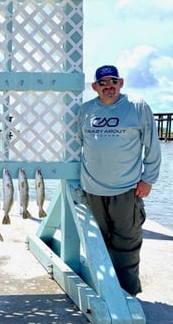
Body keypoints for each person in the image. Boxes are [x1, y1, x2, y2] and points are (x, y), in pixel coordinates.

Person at [77, 65, 161, 296]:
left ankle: (127, 294)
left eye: (113, 81)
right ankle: (104, 290)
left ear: (121, 82)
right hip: (92, 190)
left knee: (126, 244)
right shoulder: (84, 111)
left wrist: (149, 179)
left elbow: (152, 147)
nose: (108, 86)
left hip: (126, 190)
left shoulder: (137, 107)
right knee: (98, 244)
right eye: (102, 82)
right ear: (94, 87)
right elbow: (76, 147)